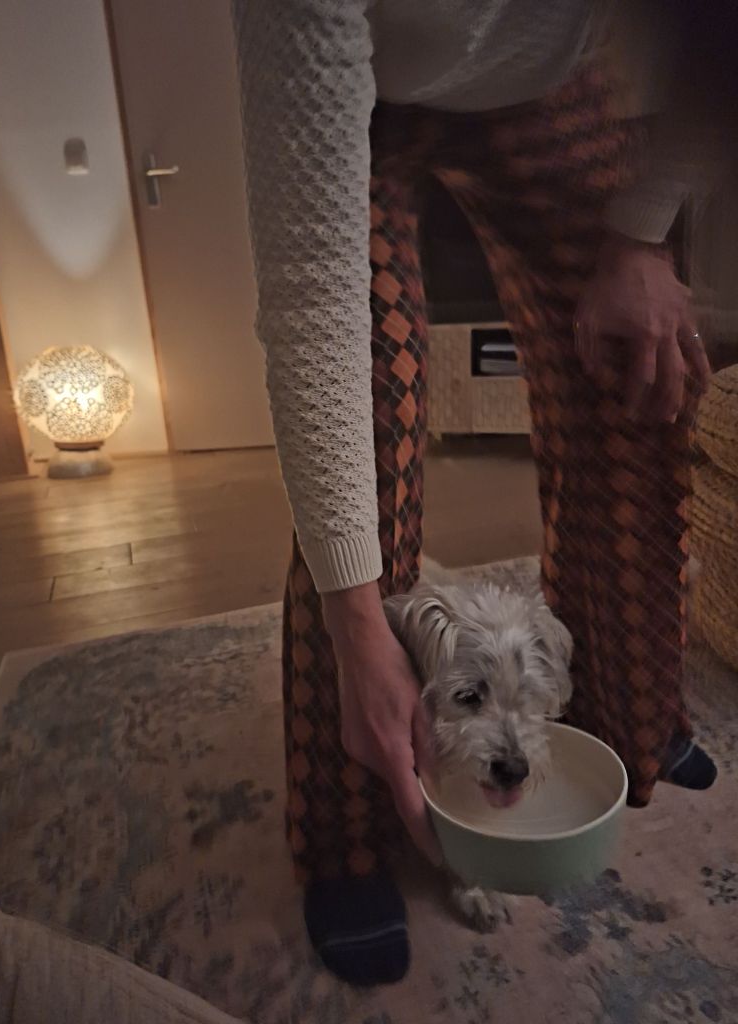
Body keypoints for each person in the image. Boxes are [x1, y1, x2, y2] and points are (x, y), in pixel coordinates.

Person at [231, 0, 730, 986]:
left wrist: (643, 236)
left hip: (552, 87)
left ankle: (633, 712)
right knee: (369, 432)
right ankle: (346, 829)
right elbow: (314, 292)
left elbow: (722, 59)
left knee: (635, 371)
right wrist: (357, 626)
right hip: (360, 98)